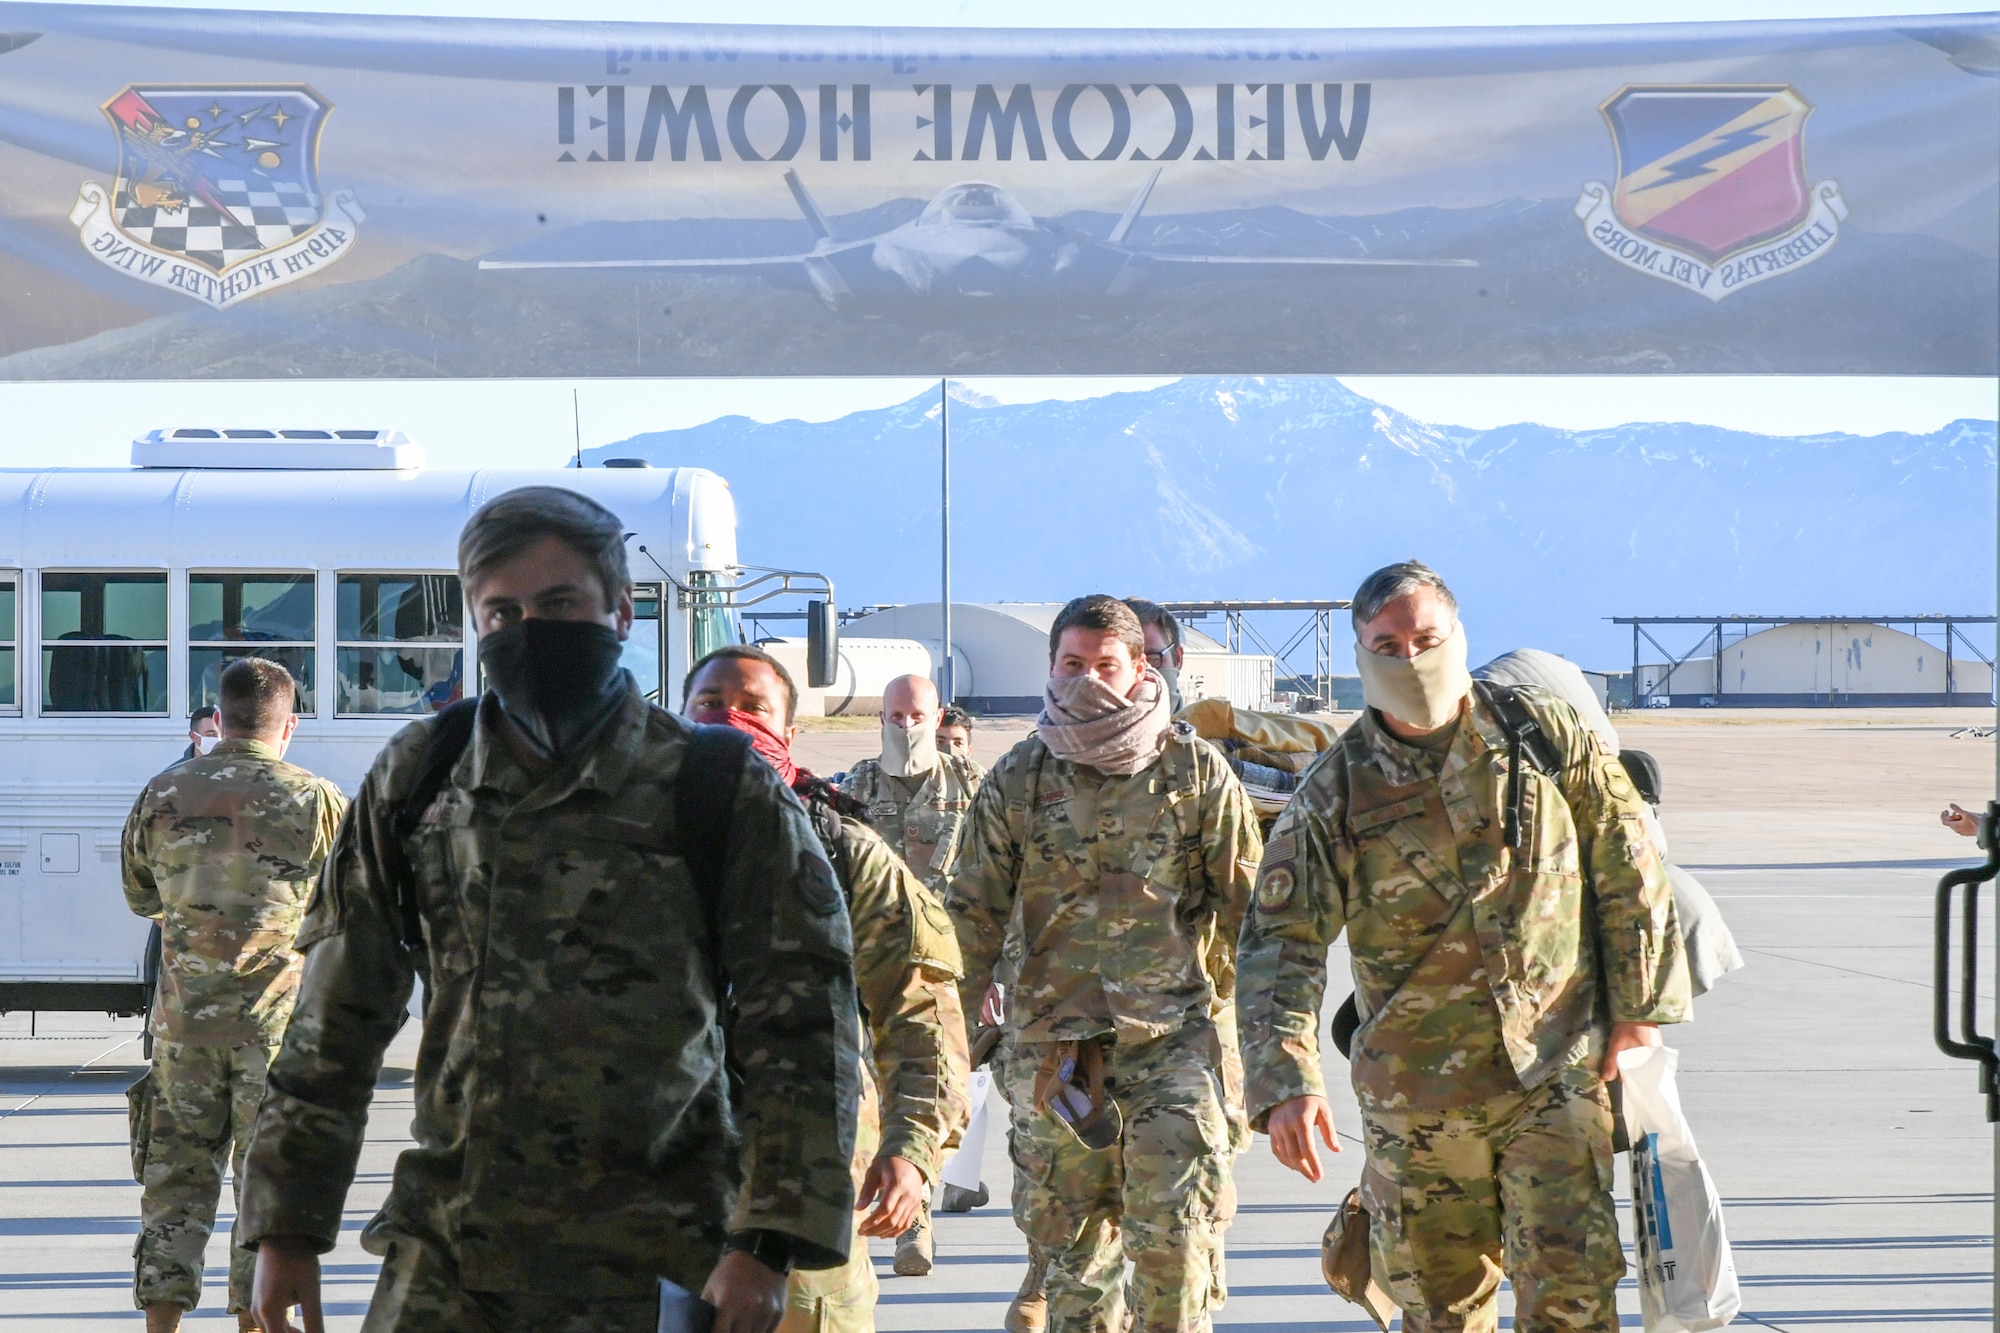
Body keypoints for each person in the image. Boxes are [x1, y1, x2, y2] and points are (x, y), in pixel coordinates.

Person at [239, 487, 863, 1333]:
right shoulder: (424, 773)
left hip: (661, 1253)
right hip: (451, 1251)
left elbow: (804, 1020)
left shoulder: (713, 783)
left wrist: (768, 1241)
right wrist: (285, 1225)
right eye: (501, 611)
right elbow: (335, 1018)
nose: (529, 628)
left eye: (559, 603)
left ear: (622, 610)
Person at [1237, 562, 1691, 1333]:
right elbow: (1282, 941)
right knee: (1440, 1311)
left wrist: (1639, 1011)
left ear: (1457, 635)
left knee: (1572, 1296)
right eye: (1387, 642)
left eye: (1425, 636)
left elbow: (1629, 863)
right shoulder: (1335, 790)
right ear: (1360, 653)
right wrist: (1286, 1078)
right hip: (1416, 1101)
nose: (1409, 656)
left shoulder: (1543, 732)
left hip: (1553, 1069)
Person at [948, 594, 1261, 1333]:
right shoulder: (1019, 779)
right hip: (1055, 1060)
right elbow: (968, 921)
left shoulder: (1196, 776)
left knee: (1176, 1251)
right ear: (1050, 667)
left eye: (1106, 665)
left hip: (1172, 1044)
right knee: (1077, 1277)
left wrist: (1269, 1058)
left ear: (1140, 667)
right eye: (1072, 664)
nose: (1088, 678)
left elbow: (1259, 924)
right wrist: (942, 1053)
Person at [684, 645, 971, 1330]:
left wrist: (912, 1149)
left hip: (808, 1186)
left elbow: (920, 1007)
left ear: (786, 730)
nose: (728, 717)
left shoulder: (839, 849)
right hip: (653, 1188)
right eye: (709, 703)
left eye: (753, 706)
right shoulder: (622, 843)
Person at [122, 658, 347, 1332]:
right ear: (289, 725)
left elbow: (140, 896)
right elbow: (351, 905)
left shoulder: (164, 790)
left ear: (218, 719)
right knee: (266, 1197)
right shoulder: (316, 800)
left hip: (182, 1032)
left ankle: (162, 1327)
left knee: (173, 1192)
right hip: (276, 1038)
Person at [838, 671, 987, 1270]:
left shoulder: (972, 786)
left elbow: (1000, 882)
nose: (906, 727)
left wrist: (1001, 972)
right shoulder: (853, 788)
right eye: (896, 717)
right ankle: (912, 1224)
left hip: (955, 970)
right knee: (887, 1091)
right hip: (878, 972)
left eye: (917, 717)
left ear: (936, 718)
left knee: (947, 1090)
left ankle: (922, 1193)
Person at [1123, 597, 1186, 714]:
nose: (1142, 672)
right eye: (1129, 662)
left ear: (1177, 658)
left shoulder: (1218, 727)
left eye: (1152, 659)